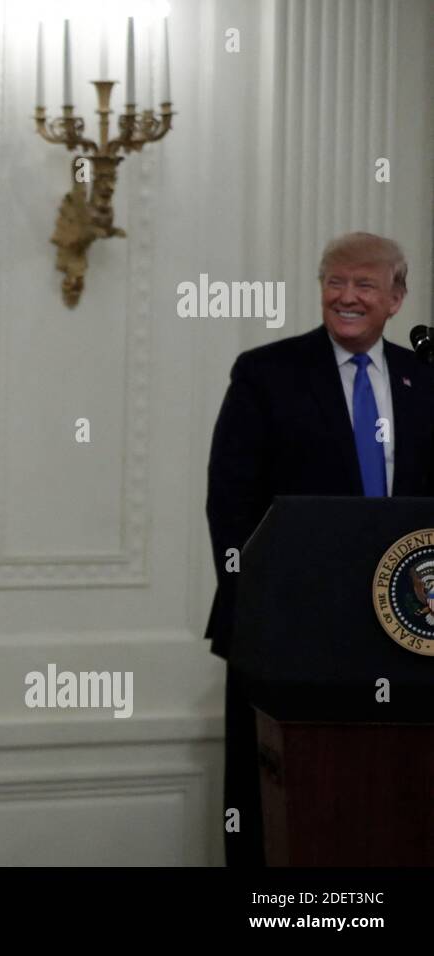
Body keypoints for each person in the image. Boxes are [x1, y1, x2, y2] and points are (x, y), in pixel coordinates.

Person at [205, 232, 434, 866]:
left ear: (397, 297)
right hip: (289, 636)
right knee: (282, 814)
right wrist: (259, 605)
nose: (347, 296)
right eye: (335, 282)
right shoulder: (266, 374)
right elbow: (230, 505)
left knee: (390, 807)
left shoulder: (423, 379)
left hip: (405, 635)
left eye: (365, 284)